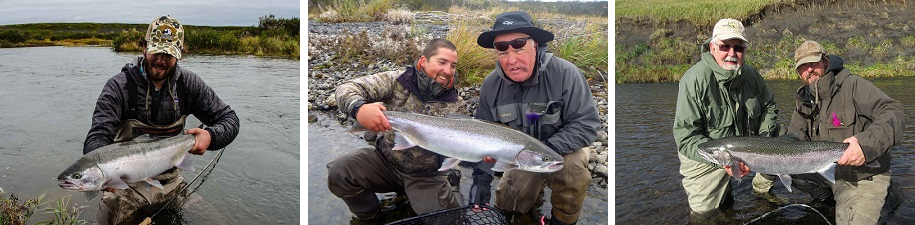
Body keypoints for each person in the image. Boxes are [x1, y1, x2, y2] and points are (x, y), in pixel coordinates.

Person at [83, 15, 240, 225]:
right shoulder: (118, 87)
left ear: (180, 55)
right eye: (156, 51)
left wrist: (211, 136)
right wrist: (104, 175)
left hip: (172, 184)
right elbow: (98, 135)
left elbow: (230, 119)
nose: (161, 60)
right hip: (126, 188)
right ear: (144, 47)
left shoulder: (189, 85)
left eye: (168, 54)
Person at [471, 11, 600, 225]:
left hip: (562, 148)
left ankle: (562, 220)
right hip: (519, 153)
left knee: (572, 171)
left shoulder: (566, 74)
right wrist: (480, 180)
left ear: (535, 46)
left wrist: (543, 152)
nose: (511, 59)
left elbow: (586, 124)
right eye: (502, 50)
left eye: (519, 46)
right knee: (509, 204)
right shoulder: (491, 85)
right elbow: (481, 134)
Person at [328, 38, 463, 224]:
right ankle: (370, 217)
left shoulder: (457, 106)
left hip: (426, 176)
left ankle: (422, 198)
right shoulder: (396, 80)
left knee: (447, 221)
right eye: (442, 62)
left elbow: (460, 154)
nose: (448, 71)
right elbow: (346, 88)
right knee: (339, 171)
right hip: (385, 163)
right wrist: (359, 109)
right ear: (424, 61)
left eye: (453, 65)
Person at [671, 18, 780, 221]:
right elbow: (686, 138)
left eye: (738, 47)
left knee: (780, 133)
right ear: (712, 47)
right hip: (707, 157)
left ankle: (761, 188)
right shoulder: (694, 80)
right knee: (705, 215)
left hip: (749, 149)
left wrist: (765, 139)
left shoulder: (751, 75)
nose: (731, 53)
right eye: (724, 46)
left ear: (745, 50)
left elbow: (769, 107)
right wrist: (724, 163)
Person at [785, 40, 904, 225]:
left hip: (862, 176)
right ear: (798, 72)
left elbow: (893, 112)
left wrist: (865, 146)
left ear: (825, 62)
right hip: (827, 172)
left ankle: (859, 200)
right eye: (803, 66)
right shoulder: (803, 102)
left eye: (814, 63)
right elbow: (792, 141)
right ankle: (829, 198)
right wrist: (750, 162)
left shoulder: (853, 85)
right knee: (786, 170)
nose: (810, 69)